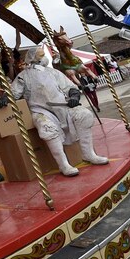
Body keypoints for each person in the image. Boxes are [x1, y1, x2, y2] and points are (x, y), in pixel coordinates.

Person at [10, 45, 109, 177]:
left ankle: (89, 154)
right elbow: (14, 93)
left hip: (63, 107)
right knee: (47, 127)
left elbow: (70, 87)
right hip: (42, 111)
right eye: (41, 55)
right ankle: (64, 164)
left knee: (84, 115)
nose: (44, 57)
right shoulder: (23, 76)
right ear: (34, 58)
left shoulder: (53, 72)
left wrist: (74, 96)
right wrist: (6, 97)